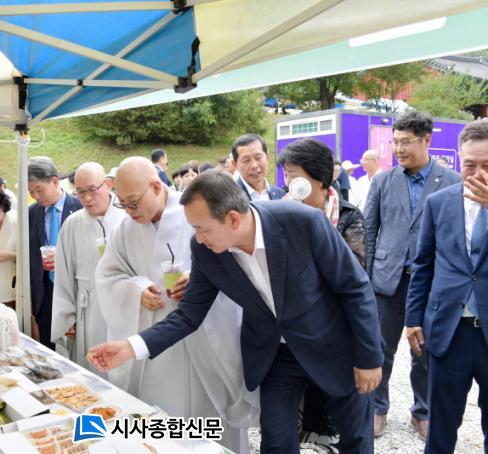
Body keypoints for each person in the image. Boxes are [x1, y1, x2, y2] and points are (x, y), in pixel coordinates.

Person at [89, 171, 384, 454]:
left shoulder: (302, 222)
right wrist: (129, 347)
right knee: (276, 440)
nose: (198, 238)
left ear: (232, 218)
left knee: (355, 438)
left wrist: (369, 358)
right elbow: (188, 315)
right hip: (276, 355)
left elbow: (355, 288)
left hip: (334, 345)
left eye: (202, 229)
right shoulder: (205, 250)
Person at [95, 158, 257, 453]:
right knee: (164, 417)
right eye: (123, 204)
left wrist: (199, 277)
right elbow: (107, 275)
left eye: (134, 203)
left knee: (210, 418)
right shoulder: (125, 228)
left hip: (206, 332)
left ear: (156, 187)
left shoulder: (193, 212)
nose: (129, 211)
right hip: (156, 334)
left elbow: (234, 255)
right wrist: (136, 290)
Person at [364, 110, 462, 439]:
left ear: (427, 140)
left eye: (406, 142)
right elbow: (369, 231)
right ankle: (377, 408)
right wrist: (366, 279)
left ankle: (423, 411)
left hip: (431, 283)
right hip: (387, 281)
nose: (399, 149)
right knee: (381, 349)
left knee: (425, 352)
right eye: (395, 142)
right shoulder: (382, 181)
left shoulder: (451, 181)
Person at [405, 119, 488, 453]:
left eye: (487, 165)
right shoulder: (439, 202)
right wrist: (413, 318)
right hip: (449, 331)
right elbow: (423, 264)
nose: (478, 173)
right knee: (441, 424)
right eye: (470, 164)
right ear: (458, 159)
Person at [280, 139, 368, 450]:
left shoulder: (349, 216)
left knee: (348, 424)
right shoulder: (279, 211)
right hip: (293, 332)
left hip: (335, 332)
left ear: (319, 177)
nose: (288, 182)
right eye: (286, 175)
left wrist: (315, 224)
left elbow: (356, 270)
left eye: (294, 175)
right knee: (282, 425)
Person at [50, 163, 126, 370]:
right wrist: (66, 316)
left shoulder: (127, 218)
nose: (87, 198)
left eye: (92, 190)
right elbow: (64, 273)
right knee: (91, 363)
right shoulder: (73, 224)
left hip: (123, 307)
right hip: (88, 309)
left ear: (108, 184)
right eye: (80, 192)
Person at [28, 157, 82, 349]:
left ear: (55, 181)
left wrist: (64, 256)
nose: (36, 196)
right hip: (46, 291)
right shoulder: (31, 213)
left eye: (39, 190)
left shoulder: (79, 208)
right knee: (48, 346)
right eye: (31, 191)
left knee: (77, 347)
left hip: (75, 288)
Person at [232, 134, 285, 201]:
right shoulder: (228, 197)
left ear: (267, 157)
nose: (254, 165)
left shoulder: (281, 195)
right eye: (246, 160)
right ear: (235, 164)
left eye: (258, 158)